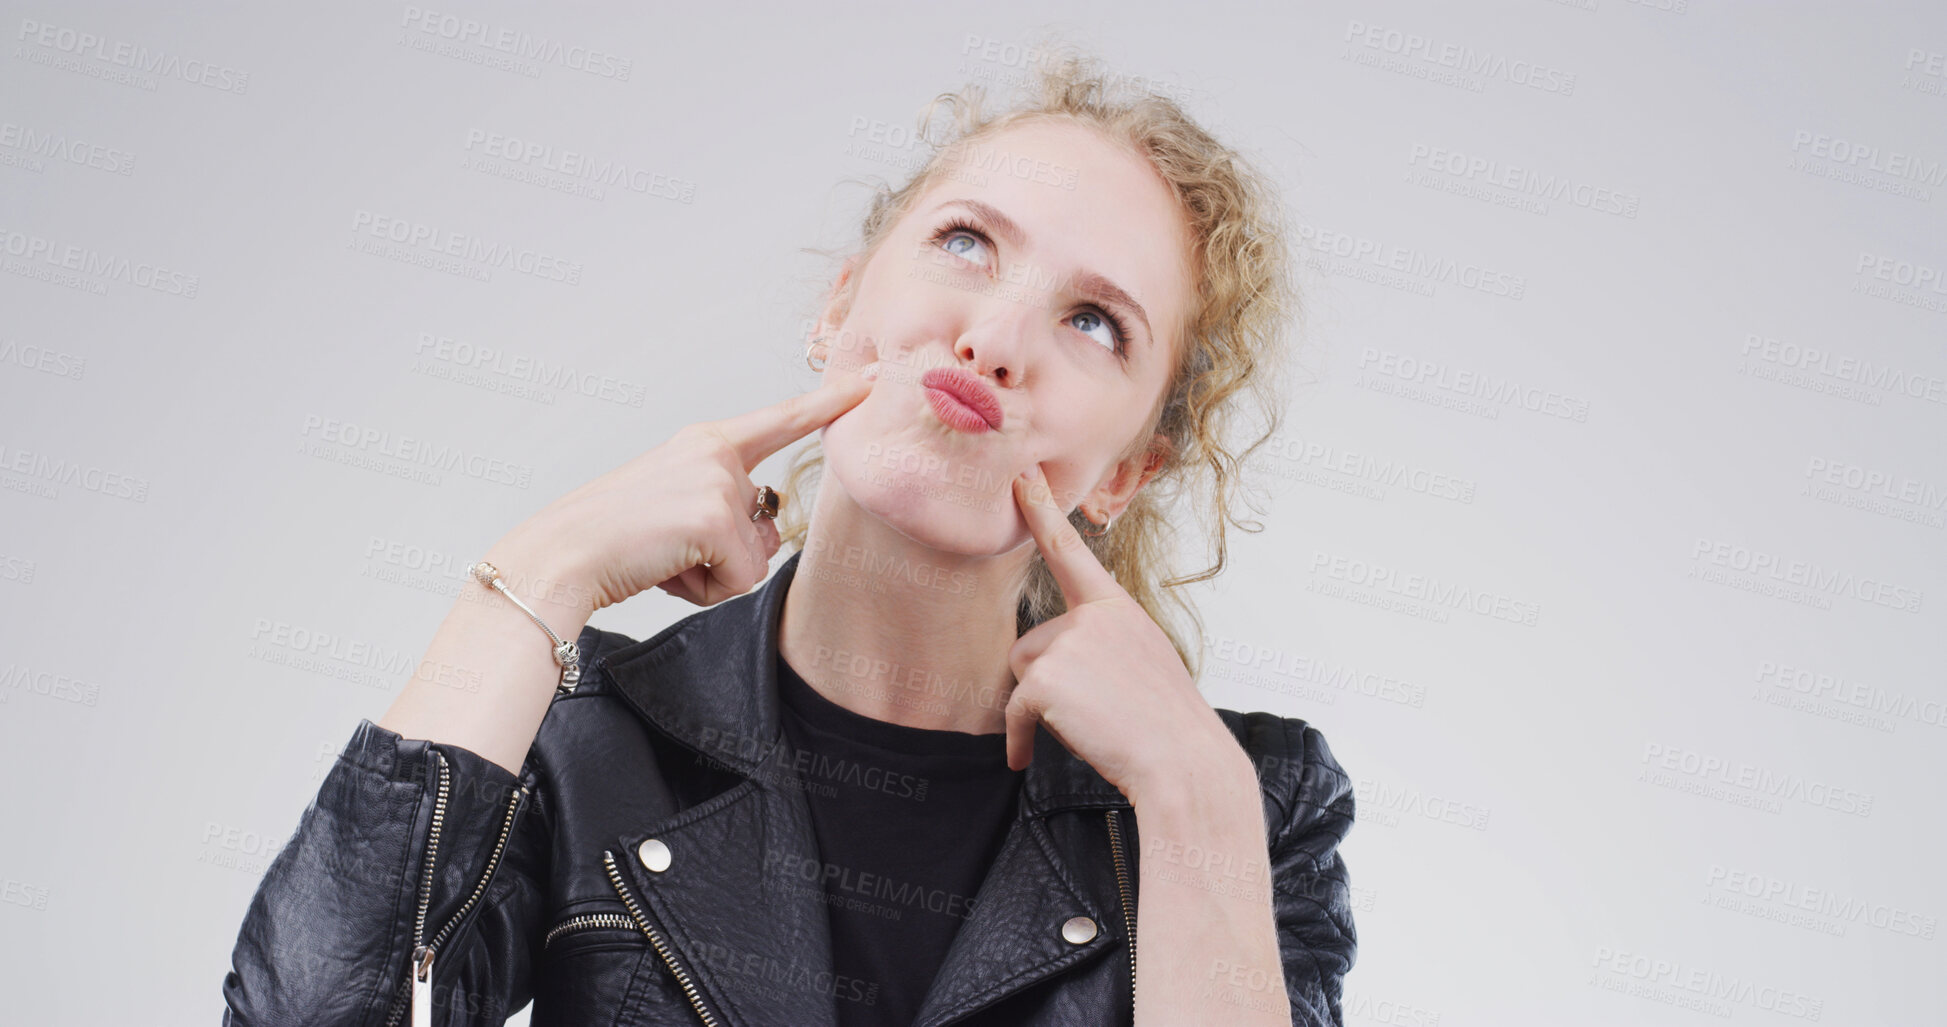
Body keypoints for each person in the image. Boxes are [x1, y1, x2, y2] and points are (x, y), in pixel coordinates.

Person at [223, 48, 1357, 1027]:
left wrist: (1196, 800)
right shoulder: (582, 739)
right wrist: (535, 576)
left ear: (1126, 472)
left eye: (1095, 321)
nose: (997, 336)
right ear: (840, 307)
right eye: (968, 242)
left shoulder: (1248, 805)